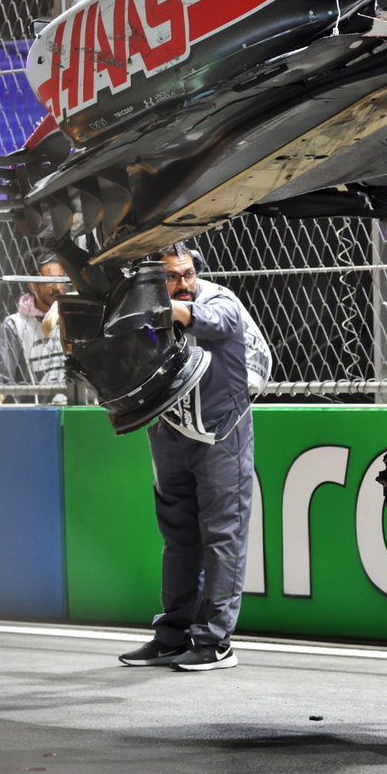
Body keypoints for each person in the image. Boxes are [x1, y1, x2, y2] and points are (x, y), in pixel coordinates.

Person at [119, 242, 268, 672]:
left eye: (187, 274)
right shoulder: (140, 308)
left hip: (221, 433)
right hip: (168, 433)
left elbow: (220, 320)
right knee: (179, 539)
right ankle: (172, 636)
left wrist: (173, 311)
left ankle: (216, 642)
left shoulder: (217, 297)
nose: (183, 283)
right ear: (152, 280)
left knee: (223, 536)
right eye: (171, 277)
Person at [0, 250, 68, 405]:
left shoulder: (73, 316)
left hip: (78, 407)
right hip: (38, 413)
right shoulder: (15, 325)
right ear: (32, 285)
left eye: (61, 279)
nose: (58, 287)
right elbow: (0, 373)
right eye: (50, 281)